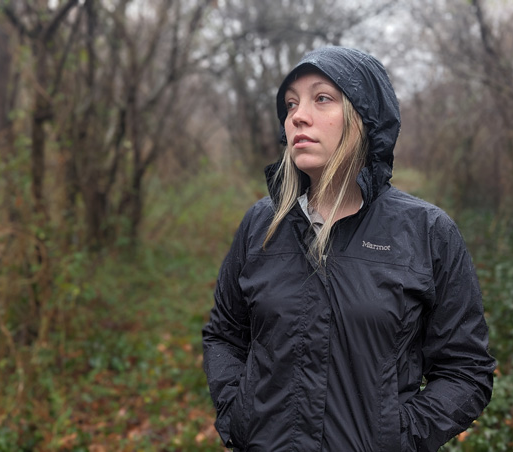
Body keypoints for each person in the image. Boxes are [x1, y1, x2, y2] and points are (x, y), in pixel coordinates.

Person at [202, 46, 496, 452]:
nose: (297, 116)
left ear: (364, 117)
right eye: (290, 104)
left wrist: (399, 436)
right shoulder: (261, 225)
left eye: (322, 98)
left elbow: (467, 369)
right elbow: (224, 334)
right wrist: (240, 413)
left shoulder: (427, 232)